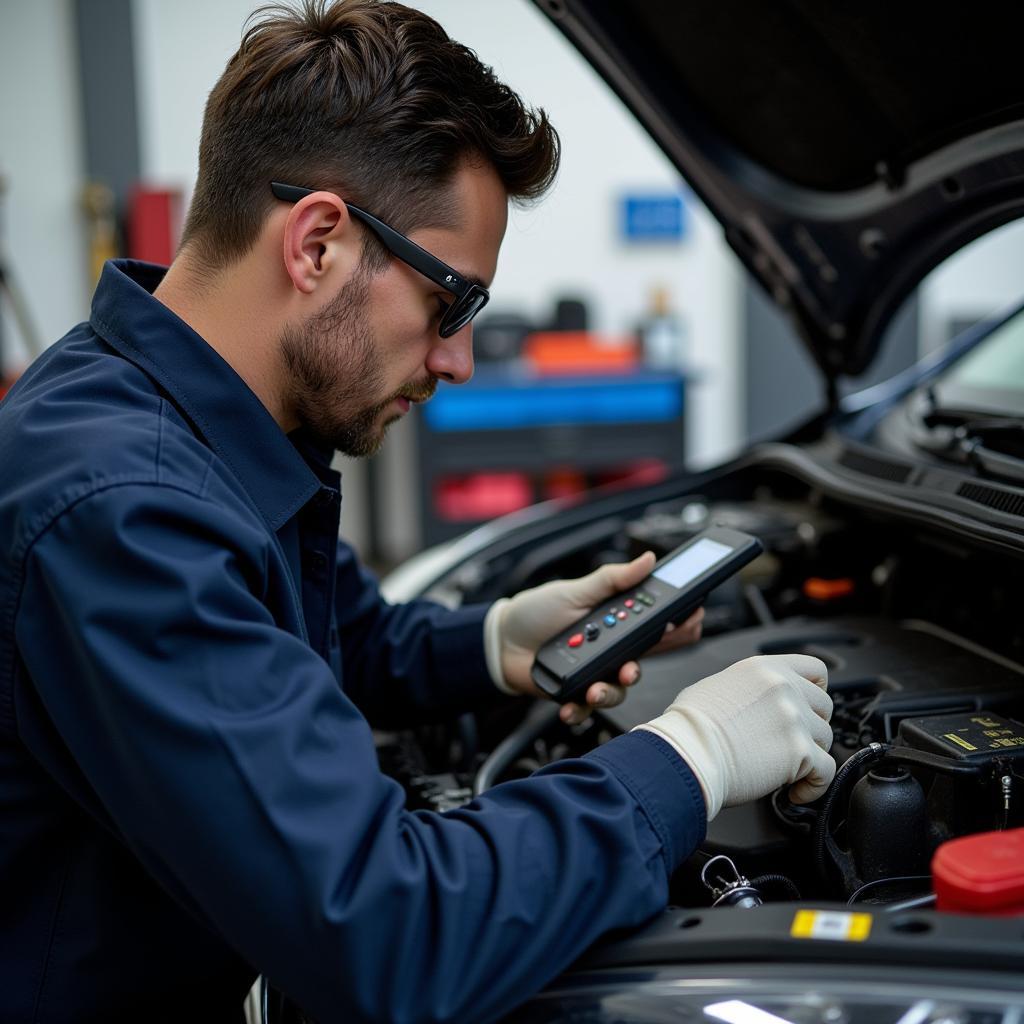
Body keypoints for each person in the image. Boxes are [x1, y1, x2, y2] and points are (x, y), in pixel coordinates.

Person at [0, 2, 835, 1021]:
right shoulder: (127, 509)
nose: (457, 361)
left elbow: (321, 641)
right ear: (317, 244)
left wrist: (488, 643)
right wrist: (690, 757)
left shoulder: (177, 414)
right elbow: (386, 932)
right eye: (452, 304)